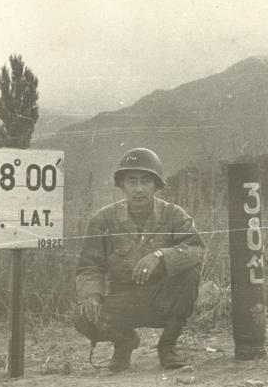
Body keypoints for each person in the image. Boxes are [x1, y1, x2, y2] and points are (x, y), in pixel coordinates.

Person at [74, 148, 204, 372]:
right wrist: (93, 294)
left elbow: (196, 249)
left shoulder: (175, 215)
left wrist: (160, 255)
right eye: (132, 181)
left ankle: (168, 346)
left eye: (146, 181)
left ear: (156, 185)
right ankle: (124, 343)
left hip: (162, 297)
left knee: (190, 271)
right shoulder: (103, 219)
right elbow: (89, 266)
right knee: (82, 315)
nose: (139, 188)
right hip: (123, 298)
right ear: (122, 186)